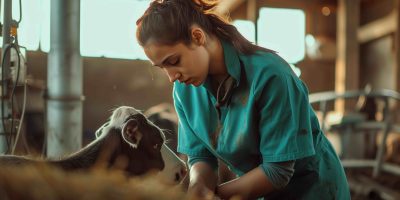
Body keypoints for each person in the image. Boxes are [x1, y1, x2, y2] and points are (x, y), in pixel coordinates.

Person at [136, 0, 350, 199]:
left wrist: (213, 196)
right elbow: (200, 156)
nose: (172, 76)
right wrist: (199, 186)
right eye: (163, 67)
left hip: (315, 190)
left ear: (198, 37)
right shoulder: (185, 91)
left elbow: (278, 171)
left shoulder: (271, 76)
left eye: (174, 61)